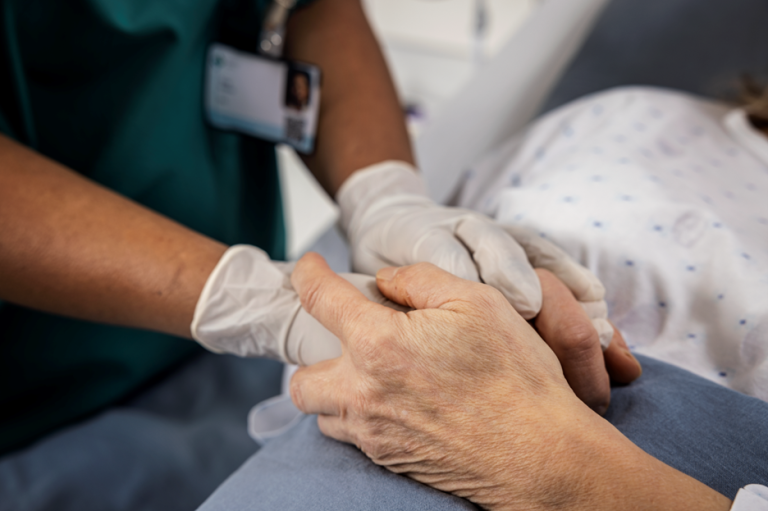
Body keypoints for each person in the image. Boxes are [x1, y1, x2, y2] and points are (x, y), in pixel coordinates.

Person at [0, 0, 615, 473]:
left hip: (208, 303)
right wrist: (254, 302)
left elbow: (313, 7)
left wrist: (385, 196)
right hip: (35, 378)